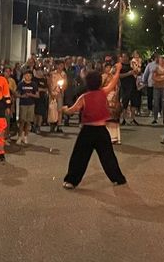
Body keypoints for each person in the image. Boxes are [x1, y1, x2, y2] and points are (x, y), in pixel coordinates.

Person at [61, 61, 127, 189]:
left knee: (79, 156)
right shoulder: (103, 92)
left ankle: (71, 181)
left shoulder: (84, 97)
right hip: (101, 130)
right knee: (108, 157)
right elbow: (113, 82)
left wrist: (64, 109)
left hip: (88, 131)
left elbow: (71, 111)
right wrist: (118, 70)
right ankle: (118, 179)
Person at [17, 69, 38, 145]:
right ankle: (19, 137)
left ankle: (26, 137)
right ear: (24, 76)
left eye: (29, 75)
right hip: (23, 104)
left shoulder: (34, 84)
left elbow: (37, 95)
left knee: (28, 121)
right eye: (26, 75)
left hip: (31, 104)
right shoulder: (21, 84)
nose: (28, 77)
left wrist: (31, 95)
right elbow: (17, 94)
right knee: (22, 121)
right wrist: (22, 96)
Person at [48, 60, 67, 133]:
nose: (61, 67)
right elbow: (49, 83)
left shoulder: (63, 74)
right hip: (52, 93)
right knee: (52, 109)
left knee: (59, 110)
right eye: (59, 65)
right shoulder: (52, 74)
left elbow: (65, 84)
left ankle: (59, 125)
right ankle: (52, 124)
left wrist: (62, 88)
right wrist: (51, 92)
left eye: (62, 66)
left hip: (59, 93)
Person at [151, 56, 164, 124]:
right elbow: (154, 78)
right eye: (160, 60)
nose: (162, 62)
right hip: (156, 87)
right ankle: (155, 118)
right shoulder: (155, 69)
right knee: (156, 103)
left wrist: (159, 77)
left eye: (163, 60)